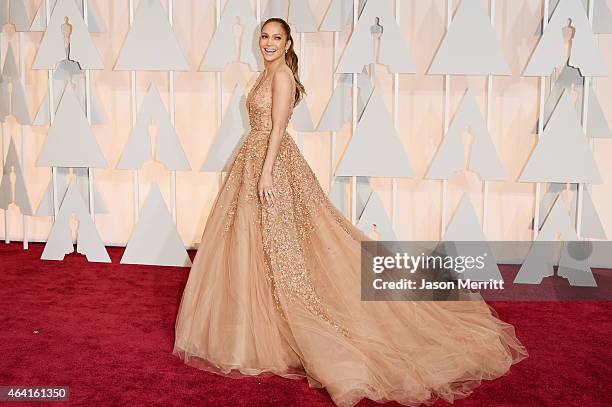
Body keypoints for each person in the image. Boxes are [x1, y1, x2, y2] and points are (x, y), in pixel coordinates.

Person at [173, 17, 527, 407]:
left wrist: (267, 171)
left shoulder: (282, 78)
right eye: (265, 37)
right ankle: (253, 326)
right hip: (254, 159)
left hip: (270, 163)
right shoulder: (266, 72)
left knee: (285, 247)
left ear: (289, 43)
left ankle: (297, 322)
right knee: (254, 242)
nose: (269, 43)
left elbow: (276, 129)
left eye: (277, 38)